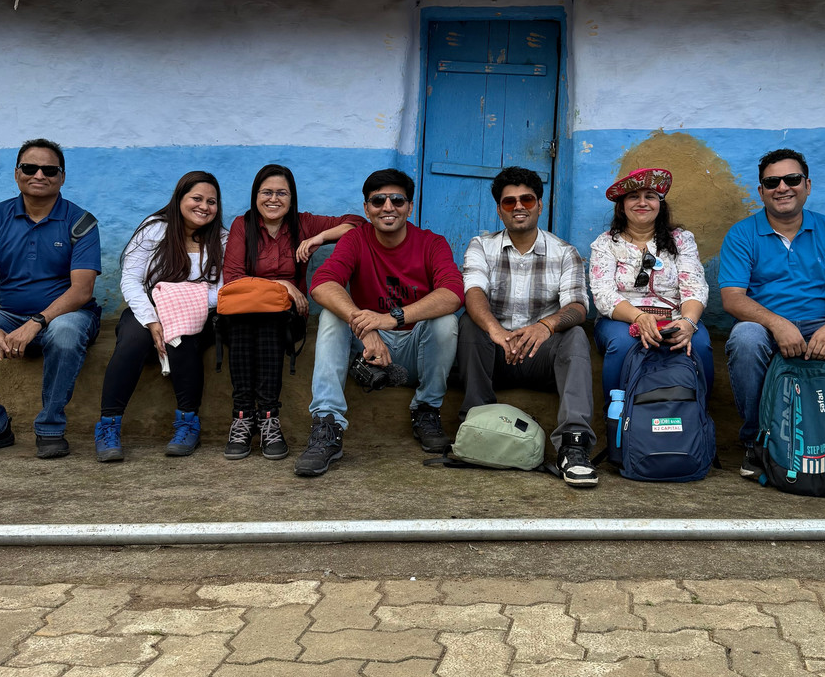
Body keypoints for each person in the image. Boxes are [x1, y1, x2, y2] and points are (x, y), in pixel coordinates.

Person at [719, 148, 825, 479]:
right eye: (772, 182)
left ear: (807, 185)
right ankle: (758, 443)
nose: (782, 187)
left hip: (822, 324)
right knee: (745, 338)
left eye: (792, 179)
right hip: (766, 326)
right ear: (761, 191)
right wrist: (777, 323)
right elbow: (732, 298)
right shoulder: (742, 234)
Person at [294, 168, 464, 477]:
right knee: (331, 315)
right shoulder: (355, 239)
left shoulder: (431, 243)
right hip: (368, 351)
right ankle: (327, 426)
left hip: (416, 350)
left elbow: (453, 293)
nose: (388, 207)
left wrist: (390, 318)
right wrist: (367, 327)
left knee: (446, 321)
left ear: (409, 207)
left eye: (397, 200)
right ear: (366, 209)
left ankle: (426, 410)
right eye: (378, 201)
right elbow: (322, 284)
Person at [0, 138, 101, 459]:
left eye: (49, 170)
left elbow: (82, 291)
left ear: (62, 177)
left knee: (66, 333)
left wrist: (36, 323)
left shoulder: (80, 222)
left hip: (67, 317)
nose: (39, 175)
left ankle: (50, 428)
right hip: (10, 315)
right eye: (30, 168)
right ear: (17, 174)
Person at [458, 167, 597, 487]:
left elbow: (578, 306)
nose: (518, 206)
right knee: (470, 323)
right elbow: (473, 292)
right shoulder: (481, 245)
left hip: (541, 356)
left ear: (539, 205)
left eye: (527, 199)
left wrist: (545, 326)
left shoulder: (565, 253)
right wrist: (495, 330)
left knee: (576, 334)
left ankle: (574, 445)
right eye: (509, 202)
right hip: (494, 353)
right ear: (499, 210)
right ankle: (477, 424)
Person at [221, 164, 364, 461]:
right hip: (244, 316)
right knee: (243, 321)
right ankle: (243, 417)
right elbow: (233, 279)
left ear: (291, 197)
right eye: (267, 192)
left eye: (281, 193)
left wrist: (319, 238)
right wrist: (282, 284)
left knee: (270, 320)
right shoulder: (242, 226)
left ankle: (269, 418)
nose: (273, 199)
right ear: (255, 195)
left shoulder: (304, 223)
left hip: (287, 319)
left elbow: (357, 224)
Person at [93, 171, 228, 462]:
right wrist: (154, 319)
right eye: (196, 198)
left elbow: (223, 289)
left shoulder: (222, 239)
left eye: (212, 201)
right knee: (132, 340)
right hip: (148, 310)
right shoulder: (154, 229)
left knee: (182, 339)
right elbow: (131, 279)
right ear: (179, 199)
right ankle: (108, 426)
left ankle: (188, 423)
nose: (204, 206)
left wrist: (179, 304)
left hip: (198, 315)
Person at [589, 167, 713, 401]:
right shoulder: (606, 244)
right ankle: (615, 413)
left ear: (660, 204)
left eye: (650, 196)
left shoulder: (681, 240)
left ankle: (699, 412)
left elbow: (694, 286)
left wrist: (688, 322)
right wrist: (639, 317)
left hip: (676, 316)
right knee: (623, 344)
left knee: (700, 344)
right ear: (622, 205)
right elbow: (603, 294)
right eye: (633, 197)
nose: (642, 203)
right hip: (622, 319)